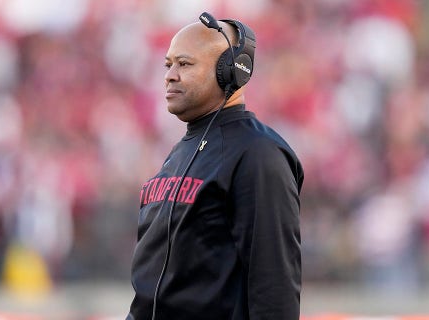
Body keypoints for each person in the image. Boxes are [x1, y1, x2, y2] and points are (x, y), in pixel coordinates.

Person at [127, 13, 304, 320]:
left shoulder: (258, 154)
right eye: (168, 64)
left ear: (231, 71)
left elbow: (274, 292)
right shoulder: (179, 153)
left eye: (185, 64)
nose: (169, 75)